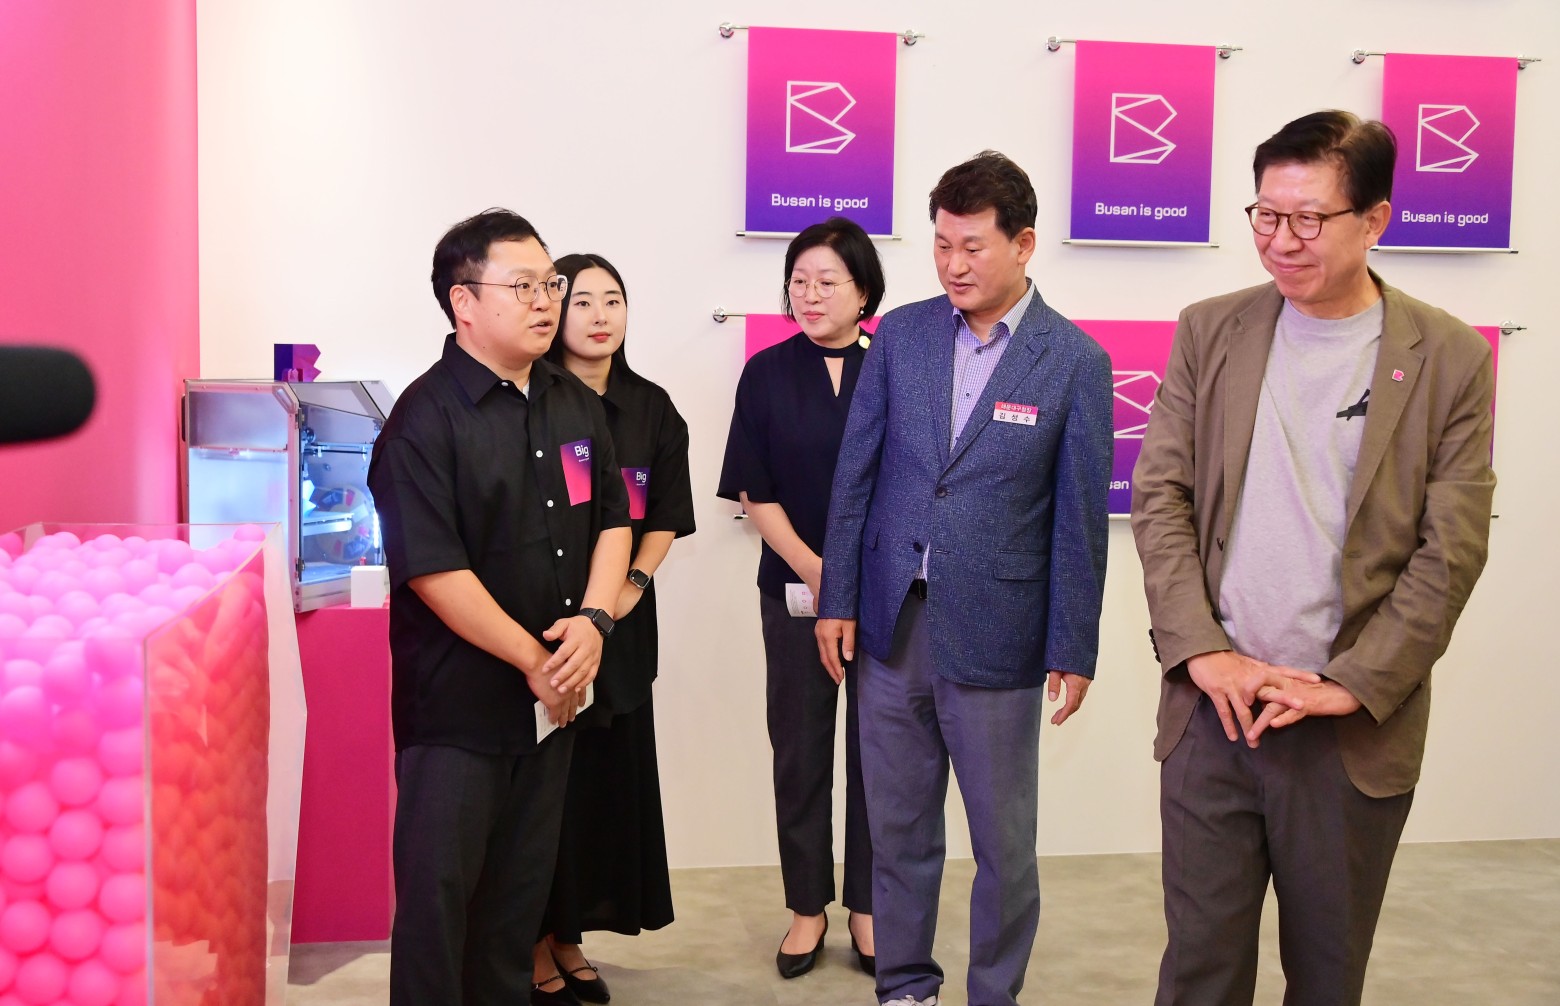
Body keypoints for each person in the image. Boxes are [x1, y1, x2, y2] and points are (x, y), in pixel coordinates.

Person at [1131, 110, 1496, 1005]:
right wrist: (1202, 649)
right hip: (1213, 711)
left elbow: (1451, 547)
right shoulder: (1210, 329)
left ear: (1374, 221)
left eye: (1308, 219)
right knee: (1199, 972)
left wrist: (1353, 683)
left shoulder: (1449, 357)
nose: (1281, 240)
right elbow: (1160, 495)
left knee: (1328, 977)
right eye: (1266, 215)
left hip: (1345, 731)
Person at [816, 151, 1114, 1006]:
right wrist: (838, 599)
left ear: (1023, 244)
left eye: (973, 246)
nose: (953, 264)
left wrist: (1073, 645)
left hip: (998, 634)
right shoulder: (901, 337)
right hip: (891, 626)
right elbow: (856, 477)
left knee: (1003, 847)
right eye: (943, 245)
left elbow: (1079, 520)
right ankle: (906, 984)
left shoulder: (1075, 361)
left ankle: (994, 993)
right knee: (899, 831)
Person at [367, 208, 632, 1006]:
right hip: (459, 714)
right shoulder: (422, 422)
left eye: (550, 283)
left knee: (515, 909)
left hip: (551, 709)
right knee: (439, 913)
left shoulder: (573, 402)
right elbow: (434, 572)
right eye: (524, 286)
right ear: (464, 301)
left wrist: (594, 623)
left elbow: (611, 521)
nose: (547, 302)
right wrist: (539, 661)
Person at [717, 216, 886, 981]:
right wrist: (818, 571)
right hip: (793, 588)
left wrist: (853, 579)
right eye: (799, 281)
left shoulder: (894, 368)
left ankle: (869, 908)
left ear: (864, 292)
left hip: (884, 596)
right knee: (800, 750)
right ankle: (806, 908)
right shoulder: (766, 372)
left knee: (880, 755)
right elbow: (754, 492)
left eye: (828, 282)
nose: (810, 294)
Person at [530, 253, 696, 1005]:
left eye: (613, 300)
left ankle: (569, 937)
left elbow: (663, 515)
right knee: (544, 795)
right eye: (582, 301)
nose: (600, 316)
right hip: (546, 627)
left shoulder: (651, 408)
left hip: (622, 629)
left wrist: (628, 589)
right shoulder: (534, 402)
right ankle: (533, 939)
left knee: (600, 791)